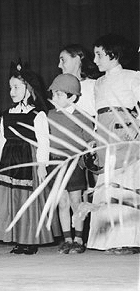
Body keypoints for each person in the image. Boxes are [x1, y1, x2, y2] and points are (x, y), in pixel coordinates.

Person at [0, 62, 59, 255]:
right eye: (10, 88)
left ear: (28, 90)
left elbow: (43, 142)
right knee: (11, 200)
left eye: (16, 87)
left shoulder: (37, 115)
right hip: (9, 161)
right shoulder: (7, 114)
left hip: (29, 160)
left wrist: (42, 165)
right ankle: (18, 239)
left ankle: (30, 240)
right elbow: (2, 140)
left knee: (27, 200)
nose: (12, 91)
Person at [87, 34, 140, 254]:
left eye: (99, 54)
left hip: (126, 137)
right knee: (107, 186)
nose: (95, 59)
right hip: (105, 139)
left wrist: (135, 128)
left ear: (113, 54)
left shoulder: (132, 77)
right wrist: (94, 136)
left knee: (125, 186)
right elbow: (99, 115)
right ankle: (109, 239)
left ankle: (130, 241)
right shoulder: (98, 83)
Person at [47, 74, 94, 254]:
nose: (55, 98)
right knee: (62, 202)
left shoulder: (83, 117)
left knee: (76, 201)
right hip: (56, 164)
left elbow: (90, 139)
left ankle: (79, 238)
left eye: (59, 95)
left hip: (75, 163)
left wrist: (90, 147)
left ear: (72, 97)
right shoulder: (50, 115)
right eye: (54, 94)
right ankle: (67, 239)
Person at [58, 44, 102, 117]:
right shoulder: (60, 89)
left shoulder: (95, 85)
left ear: (77, 59)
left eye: (63, 60)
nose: (59, 65)